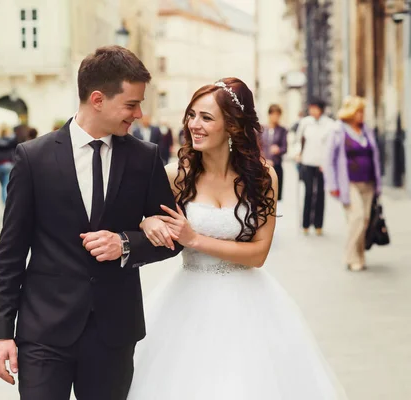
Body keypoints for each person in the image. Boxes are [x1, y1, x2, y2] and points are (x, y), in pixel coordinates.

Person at [130, 78, 348, 399]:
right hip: (188, 299)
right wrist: (148, 223)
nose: (194, 125)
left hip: (248, 300)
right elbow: (134, 215)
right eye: (192, 115)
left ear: (232, 126)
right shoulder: (176, 174)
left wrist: (195, 239)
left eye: (206, 118)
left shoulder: (263, 177)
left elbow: (258, 253)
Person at [0, 45, 182, 400]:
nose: (139, 113)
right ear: (97, 99)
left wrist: (125, 243)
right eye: (131, 104)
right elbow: (10, 253)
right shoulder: (33, 158)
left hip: (113, 332)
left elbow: (174, 235)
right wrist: (2, 333)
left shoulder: (145, 158)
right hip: (44, 332)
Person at [324, 96, 381, 272]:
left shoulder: (366, 130)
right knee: (356, 218)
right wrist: (332, 185)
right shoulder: (338, 130)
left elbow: (374, 155)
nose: (361, 115)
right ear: (350, 112)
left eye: (363, 112)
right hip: (348, 182)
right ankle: (350, 256)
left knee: (364, 220)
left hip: (369, 182)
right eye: (359, 112)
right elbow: (329, 159)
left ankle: (360, 256)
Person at [296, 99, 335, 236]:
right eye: (310, 108)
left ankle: (318, 224)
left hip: (322, 165)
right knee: (308, 193)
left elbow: (330, 147)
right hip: (307, 161)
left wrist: (327, 164)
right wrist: (298, 154)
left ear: (321, 109)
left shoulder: (330, 125)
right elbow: (299, 140)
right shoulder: (305, 122)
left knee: (320, 194)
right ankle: (306, 224)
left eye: (315, 108)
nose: (312, 110)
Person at [260, 104, 288, 200]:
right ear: (269, 115)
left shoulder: (282, 130)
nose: (275, 117)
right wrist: (264, 160)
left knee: (276, 195)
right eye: (273, 114)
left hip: (276, 166)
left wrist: (278, 150)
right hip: (263, 167)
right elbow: (258, 147)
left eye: (278, 115)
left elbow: (285, 148)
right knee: (262, 194)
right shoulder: (261, 129)